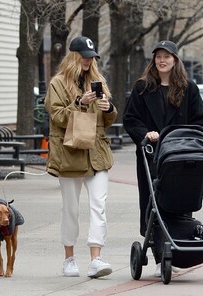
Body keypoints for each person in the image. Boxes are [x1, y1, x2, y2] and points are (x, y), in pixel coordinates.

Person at [123, 40, 203, 277]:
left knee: (179, 199)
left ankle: (180, 246)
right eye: (158, 56)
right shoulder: (142, 88)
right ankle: (160, 254)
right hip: (151, 156)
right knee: (153, 202)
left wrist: (185, 138)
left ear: (175, 60)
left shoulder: (188, 88)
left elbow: (201, 122)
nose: (162, 60)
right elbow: (131, 119)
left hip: (181, 155)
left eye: (167, 56)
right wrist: (145, 134)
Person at [45, 36, 117, 278]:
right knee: (71, 209)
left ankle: (96, 259)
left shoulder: (98, 82)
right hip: (69, 154)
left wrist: (109, 109)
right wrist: (79, 102)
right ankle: (69, 258)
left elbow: (106, 121)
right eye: (84, 56)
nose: (88, 60)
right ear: (73, 57)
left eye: (91, 57)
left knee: (99, 206)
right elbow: (56, 115)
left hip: (96, 153)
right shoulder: (58, 83)